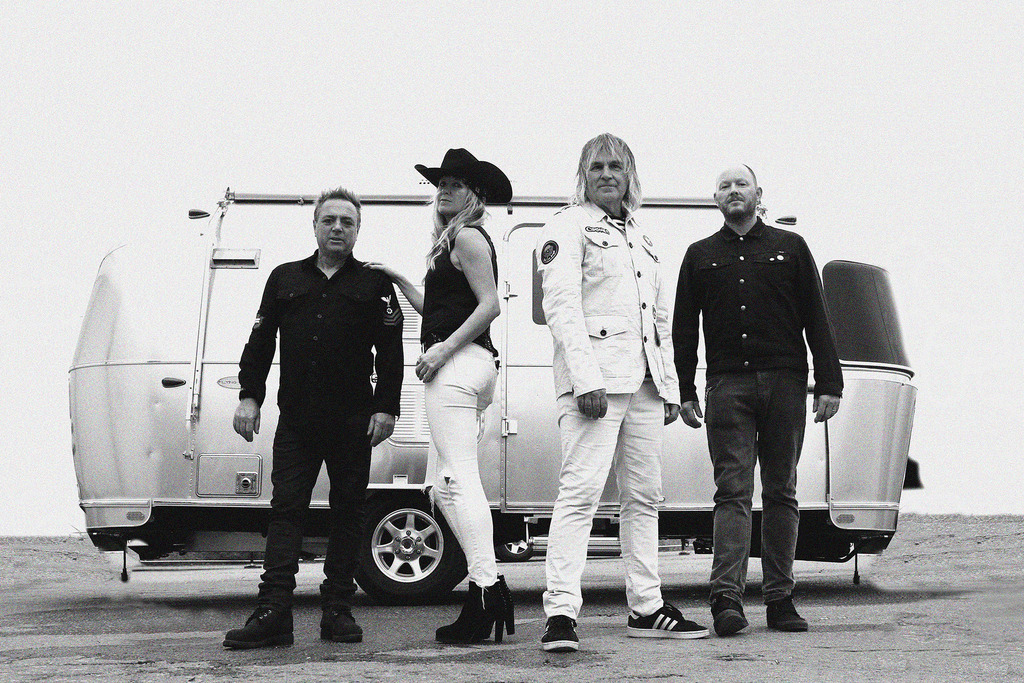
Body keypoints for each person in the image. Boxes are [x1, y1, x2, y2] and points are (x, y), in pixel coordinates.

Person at [536, 134, 709, 652]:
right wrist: (586, 379)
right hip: (595, 385)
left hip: (645, 387)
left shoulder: (644, 238)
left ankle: (647, 606)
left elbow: (660, 318)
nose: (607, 174)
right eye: (597, 168)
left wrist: (671, 387)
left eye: (616, 166)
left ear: (630, 174)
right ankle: (561, 613)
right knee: (580, 495)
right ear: (583, 176)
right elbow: (561, 304)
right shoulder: (567, 227)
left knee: (644, 498)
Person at [223, 187, 404, 649]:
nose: (338, 228)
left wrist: (386, 406)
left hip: (352, 421)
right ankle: (274, 611)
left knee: (347, 513)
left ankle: (337, 609)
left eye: (347, 221)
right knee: (286, 512)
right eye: (330, 220)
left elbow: (391, 353)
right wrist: (249, 396)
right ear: (316, 225)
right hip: (298, 421)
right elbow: (259, 342)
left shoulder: (374, 284)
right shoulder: (285, 278)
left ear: (358, 229)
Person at [672, 165, 843, 636]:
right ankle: (726, 600)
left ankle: (780, 600)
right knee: (732, 492)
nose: (733, 191)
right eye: (724, 186)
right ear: (716, 199)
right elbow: (683, 329)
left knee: (782, 491)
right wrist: (684, 390)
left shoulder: (791, 248)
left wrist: (830, 381)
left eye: (740, 184)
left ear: (758, 194)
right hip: (727, 387)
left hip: (786, 382)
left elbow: (817, 316)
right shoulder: (699, 255)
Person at [367, 148, 515, 644]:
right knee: (439, 486)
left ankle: (487, 590)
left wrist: (442, 350)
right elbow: (439, 307)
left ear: (475, 194)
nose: (444, 190)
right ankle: (486, 587)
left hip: (459, 364)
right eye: (441, 183)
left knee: (457, 477)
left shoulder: (469, 236)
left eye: (456, 184)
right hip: (464, 365)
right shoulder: (449, 243)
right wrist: (400, 279)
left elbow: (490, 305)